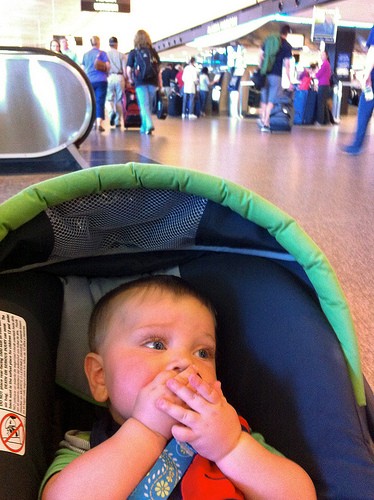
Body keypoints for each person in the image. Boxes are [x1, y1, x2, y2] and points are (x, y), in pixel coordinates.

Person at [40, 275, 316, 500]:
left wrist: (230, 449)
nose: (185, 363)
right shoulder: (85, 448)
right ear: (101, 377)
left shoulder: (231, 435)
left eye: (203, 353)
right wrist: (145, 432)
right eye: (156, 344)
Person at [342, 25, 374, 155]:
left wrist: (366, 74)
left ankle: (357, 145)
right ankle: (356, 144)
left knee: (364, 112)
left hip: (372, 82)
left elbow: (373, 51)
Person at [259, 24, 293, 132]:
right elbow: (287, 65)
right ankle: (266, 122)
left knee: (264, 99)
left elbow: (260, 55)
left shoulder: (269, 40)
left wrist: (261, 68)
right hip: (276, 75)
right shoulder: (287, 46)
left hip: (264, 74)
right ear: (287, 33)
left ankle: (263, 119)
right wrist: (290, 80)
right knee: (272, 100)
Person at [126, 29, 160, 135]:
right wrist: (160, 83)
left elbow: (128, 69)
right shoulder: (153, 52)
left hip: (140, 81)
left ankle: (149, 124)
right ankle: (144, 127)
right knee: (148, 105)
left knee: (143, 105)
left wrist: (131, 79)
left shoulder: (134, 52)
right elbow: (158, 69)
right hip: (153, 82)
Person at [82, 36, 110, 132]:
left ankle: (92, 123)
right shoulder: (102, 54)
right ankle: (99, 124)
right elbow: (107, 66)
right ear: (98, 42)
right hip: (101, 80)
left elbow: (83, 69)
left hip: (89, 81)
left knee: (91, 102)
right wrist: (106, 72)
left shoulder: (86, 55)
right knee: (100, 101)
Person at [106, 36, 126, 128]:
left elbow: (105, 68)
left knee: (109, 99)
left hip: (109, 77)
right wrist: (126, 79)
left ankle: (111, 113)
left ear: (109, 44)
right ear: (116, 44)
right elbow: (125, 69)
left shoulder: (106, 55)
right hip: (119, 76)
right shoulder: (122, 55)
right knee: (119, 100)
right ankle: (117, 121)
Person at [313, 50, 332, 125]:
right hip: (326, 85)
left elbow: (318, 75)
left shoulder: (325, 64)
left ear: (326, 56)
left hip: (323, 85)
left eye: (323, 55)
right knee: (324, 104)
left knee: (320, 103)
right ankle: (327, 121)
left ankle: (320, 121)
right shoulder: (327, 64)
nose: (322, 56)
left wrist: (316, 73)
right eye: (321, 55)